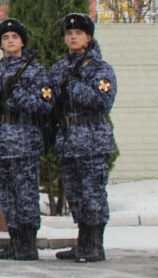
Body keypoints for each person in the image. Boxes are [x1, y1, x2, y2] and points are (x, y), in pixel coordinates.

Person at [50, 13, 117, 263]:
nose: (73, 37)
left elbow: (102, 102)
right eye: (69, 33)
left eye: (78, 33)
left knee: (93, 194)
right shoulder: (58, 68)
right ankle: (82, 243)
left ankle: (95, 245)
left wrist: (72, 86)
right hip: (68, 141)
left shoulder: (101, 68)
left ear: (88, 37)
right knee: (76, 195)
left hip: (92, 139)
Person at [0, 19, 52, 260]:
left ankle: (28, 243)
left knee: (25, 194)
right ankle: (14, 241)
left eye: (14, 37)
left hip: (24, 141)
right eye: (5, 38)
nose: (10, 41)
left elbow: (44, 106)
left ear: (22, 41)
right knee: (6, 195)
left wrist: (16, 92)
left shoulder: (36, 71)